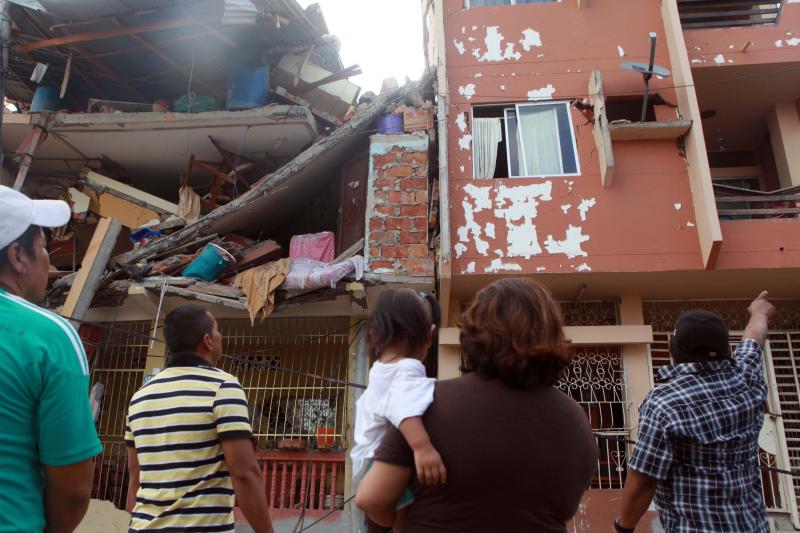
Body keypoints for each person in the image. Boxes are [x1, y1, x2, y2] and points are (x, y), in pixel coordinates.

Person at [356, 278, 598, 532]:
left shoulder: (426, 404)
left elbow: (372, 497)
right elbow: (566, 508)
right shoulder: (576, 420)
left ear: (473, 333)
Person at [616, 292, 775, 533]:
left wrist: (623, 527)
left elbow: (644, 477)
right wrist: (759, 311)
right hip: (752, 526)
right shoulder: (747, 376)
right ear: (727, 349)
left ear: (671, 349)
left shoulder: (665, 403)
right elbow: (755, 337)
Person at [0, 185, 102, 532]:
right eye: (44, 247)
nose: (48, 259)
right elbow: (73, 489)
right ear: (17, 256)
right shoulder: (48, 337)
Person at [125, 304, 273, 533]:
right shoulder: (223, 387)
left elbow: (136, 475)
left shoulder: (140, 397)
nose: (219, 336)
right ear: (208, 341)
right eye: (218, 331)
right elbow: (244, 473)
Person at [350, 289, 445, 531]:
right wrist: (423, 448)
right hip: (379, 459)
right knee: (404, 513)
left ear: (376, 335)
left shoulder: (380, 368)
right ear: (429, 334)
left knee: (396, 512)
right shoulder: (408, 367)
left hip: (364, 458)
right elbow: (403, 406)